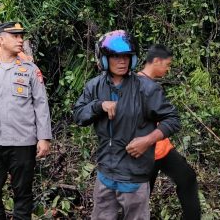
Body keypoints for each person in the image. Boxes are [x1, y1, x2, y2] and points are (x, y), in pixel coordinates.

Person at [73, 30, 180, 219]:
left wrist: (147, 140)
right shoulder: (94, 86)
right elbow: (79, 116)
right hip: (105, 173)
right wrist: (99, 105)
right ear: (105, 59)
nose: (121, 61)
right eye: (115, 56)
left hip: (134, 176)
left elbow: (172, 119)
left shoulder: (146, 88)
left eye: (126, 57)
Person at [0, 22, 52, 219]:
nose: (20, 40)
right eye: (15, 36)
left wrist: (44, 137)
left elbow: (41, 105)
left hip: (23, 142)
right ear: (2, 40)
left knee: (23, 193)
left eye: (21, 36)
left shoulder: (30, 70)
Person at [138, 45, 201, 219]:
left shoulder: (150, 84)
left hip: (163, 149)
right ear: (156, 61)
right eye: (167, 64)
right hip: (146, 153)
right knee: (139, 199)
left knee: (187, 178)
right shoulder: (137, 85)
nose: (168, 68)